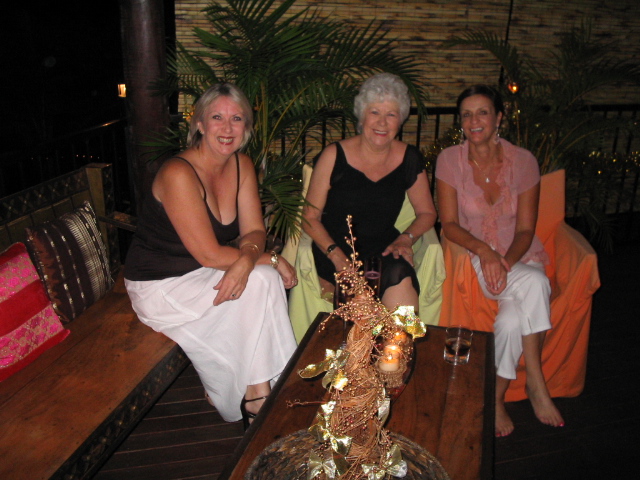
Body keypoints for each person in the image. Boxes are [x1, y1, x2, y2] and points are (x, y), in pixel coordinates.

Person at [123, 83, 297, 428]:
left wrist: (250, 258)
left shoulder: (242, 165)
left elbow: (255, 232)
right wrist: (268, 259)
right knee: (264, 277)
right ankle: (262, 394)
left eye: (237, 119)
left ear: (246, 127)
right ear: (200, 124)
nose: (227, 128)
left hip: (206, 272)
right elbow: (209, 254)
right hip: (161, 286)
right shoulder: (178, 173)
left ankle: (257, 394)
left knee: (262, 279)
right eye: (217, 117)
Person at [435, 84, 565, 437]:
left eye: (482, 112)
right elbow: (449, 224)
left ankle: (494, 398)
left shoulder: (524, 161)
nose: (473, 120)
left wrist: (505, 261)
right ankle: (537, 381)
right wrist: (486, 252)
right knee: (537, 283)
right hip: (476, 254)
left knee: (510, 321)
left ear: (498, 118)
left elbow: (525, 229)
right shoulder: (449, 160)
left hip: (520, 255)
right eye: (466, 114)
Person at [302, 72, 437, 314]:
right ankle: (366, 339)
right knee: (364, 317)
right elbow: (310, 217)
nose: (382, 123)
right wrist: (337, 257)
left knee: (401, 283)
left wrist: (406, 238)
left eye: (391, 114)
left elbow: (427, 213)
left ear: (400, 120)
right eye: (375, 112)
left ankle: (404, 338)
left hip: (384, 249)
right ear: (362, 116)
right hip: (336, 250)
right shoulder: (333, 155)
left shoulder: (409, 158)